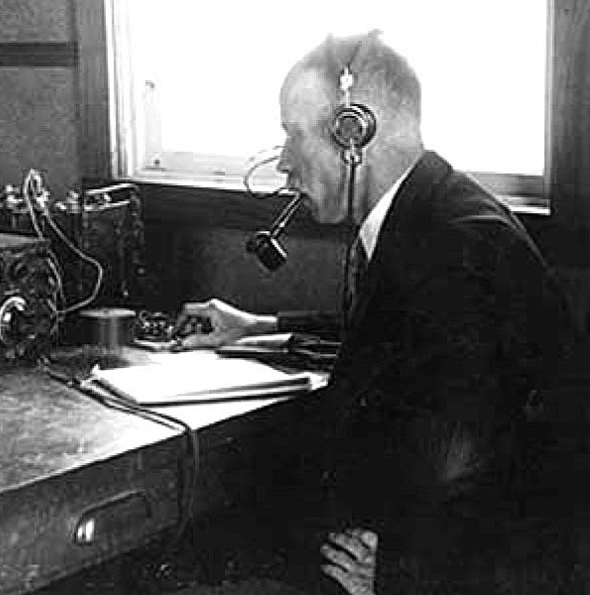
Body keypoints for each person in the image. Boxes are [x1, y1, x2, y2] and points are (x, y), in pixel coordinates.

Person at [175, 32, 573, 594]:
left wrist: (394, 576)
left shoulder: (454, 254)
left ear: (353, 132)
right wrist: (260, 327)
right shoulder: (436, 215)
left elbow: (469, 467)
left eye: (293, 133)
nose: (284, 161)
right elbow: (393, 336)